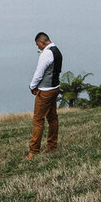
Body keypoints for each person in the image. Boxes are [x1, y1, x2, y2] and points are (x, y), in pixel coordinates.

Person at [27, 31, 62, 159]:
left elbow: (39, 73)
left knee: (38, 120)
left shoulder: (46, 53)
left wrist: (32, 86)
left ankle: (33, 150)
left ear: (42, 42)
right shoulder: (56, 50)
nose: (38, 47)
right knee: (52, 118)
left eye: (38, 45)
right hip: (55, 88)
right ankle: (52, 146)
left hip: (46, 91)